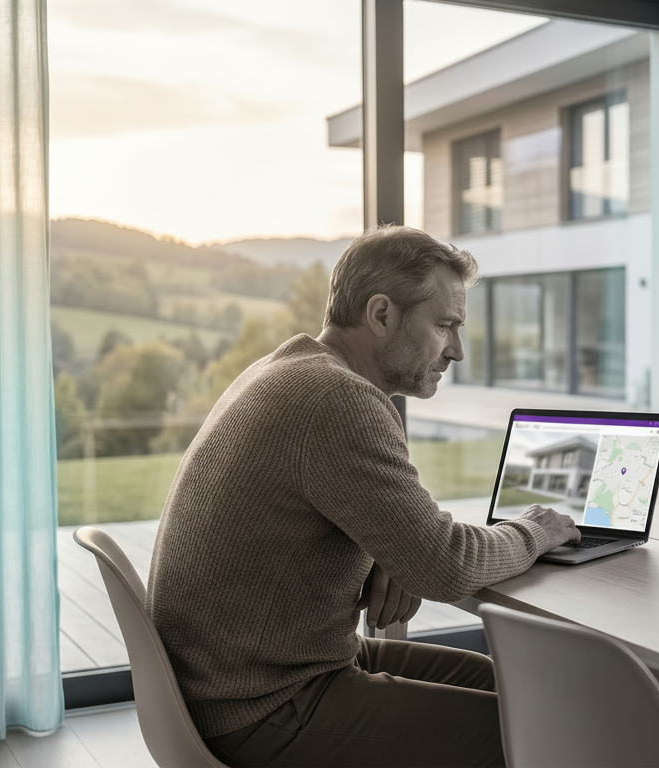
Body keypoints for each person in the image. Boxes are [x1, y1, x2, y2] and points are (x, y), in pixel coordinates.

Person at [146, 225, 581, 767]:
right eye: (444, 325)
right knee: (555, 731)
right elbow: (446, 566)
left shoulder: (289, 369)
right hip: (264, 705)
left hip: (247, 679)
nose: (458, 351)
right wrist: (536, 531)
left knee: (532, 695)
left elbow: (415, 546)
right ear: (381, 315)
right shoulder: (337, 400)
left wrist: (387, 548)